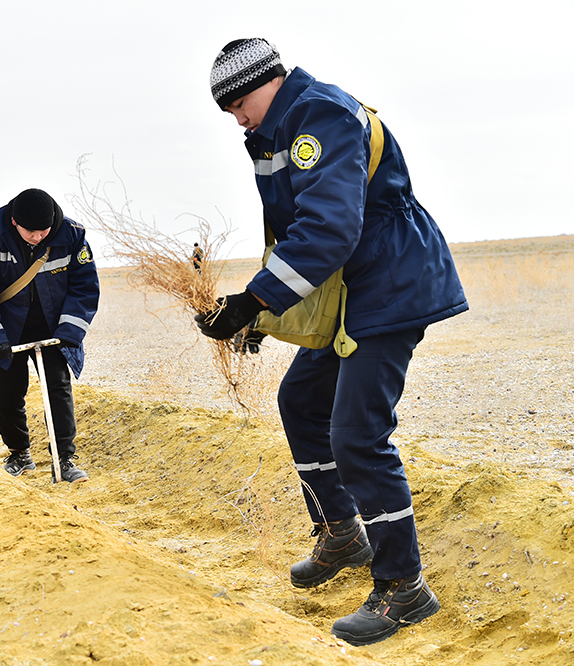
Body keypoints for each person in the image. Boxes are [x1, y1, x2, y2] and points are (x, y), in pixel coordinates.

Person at [197, 38, 468, 646]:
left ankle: (404, 586)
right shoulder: (277, 132)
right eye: (228, 110)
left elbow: (330, 229)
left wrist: (256, 299)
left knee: (357, 435)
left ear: (272, 79)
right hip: (351, 289)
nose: (237, 117)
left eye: (241, 101)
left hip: (391, 285)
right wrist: (258, 317)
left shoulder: (321, 117)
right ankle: (343, 531)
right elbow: (296, 235)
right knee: (300, 402)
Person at [0, 188, 100, 483]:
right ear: (14, 222)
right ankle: (19, 454)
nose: (37, 237)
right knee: (5, 393)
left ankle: (64, 458)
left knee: (57, 390)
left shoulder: (71, 235)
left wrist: (69, 332)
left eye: (43, 231)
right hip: (6, 328)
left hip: (53, 327)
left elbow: (84, 288)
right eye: (30, 232)